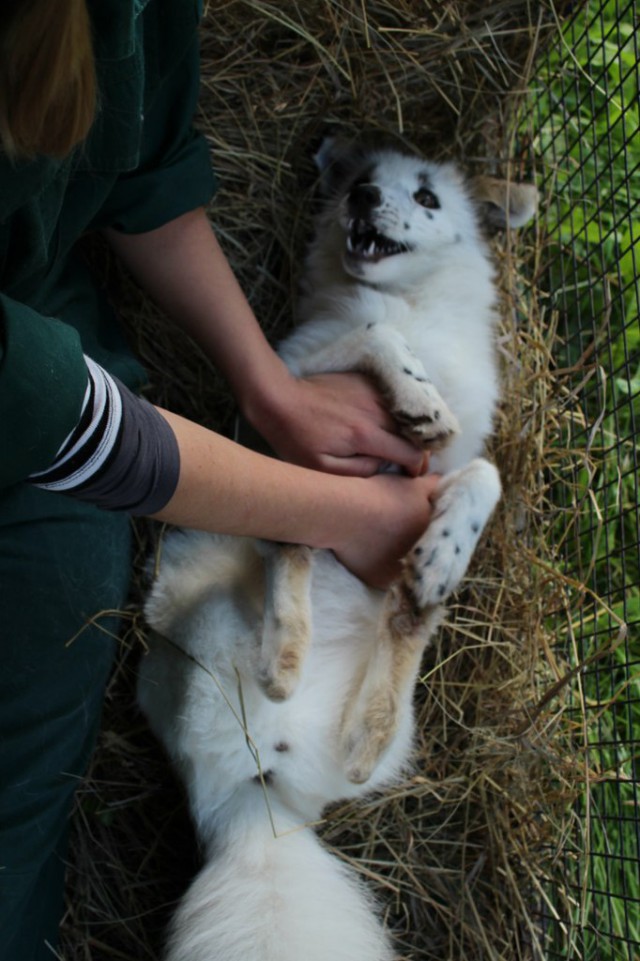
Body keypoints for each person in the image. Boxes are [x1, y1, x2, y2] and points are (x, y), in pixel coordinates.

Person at [0, 1, 439, 957]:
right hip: (37, 397)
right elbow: (43, 407)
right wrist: (342, 513)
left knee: (68, 604)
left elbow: (144, 168)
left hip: (47, 354)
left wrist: (270, 389)